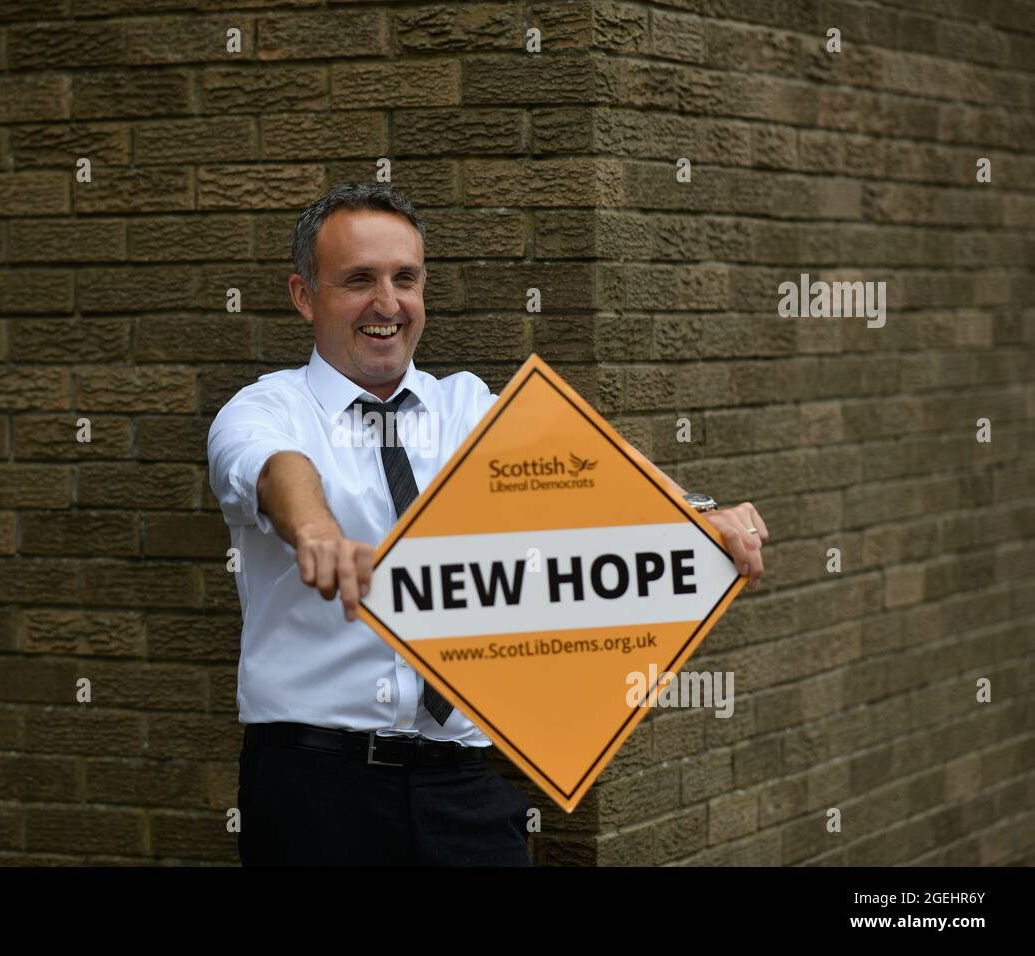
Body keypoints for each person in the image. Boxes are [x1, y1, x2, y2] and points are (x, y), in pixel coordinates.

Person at [206, 183, 769, 866]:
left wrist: (694, 514)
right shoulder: (267, 408)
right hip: (315, 789)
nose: (387, 304)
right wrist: (316, 529)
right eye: (359, 280)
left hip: (463, 786)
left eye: (404, 279)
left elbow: (593, 467)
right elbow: (275, 470)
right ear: (304, 296)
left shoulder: (468, 407)